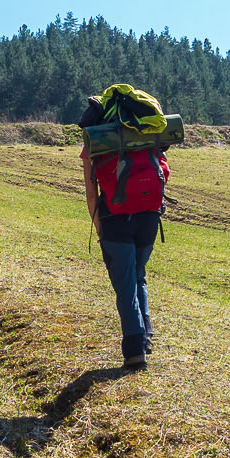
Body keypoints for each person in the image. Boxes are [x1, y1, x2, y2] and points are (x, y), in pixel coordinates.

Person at [79, 94, 168, 371]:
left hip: (115, 219)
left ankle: (134, 352)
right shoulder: (148, 131)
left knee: (125, 284)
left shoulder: (97, 138)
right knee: (138, 274)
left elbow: (91, 191)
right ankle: (146, 334)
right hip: (149, 217)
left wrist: (99, 225)